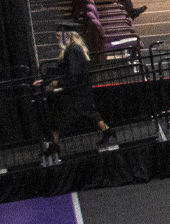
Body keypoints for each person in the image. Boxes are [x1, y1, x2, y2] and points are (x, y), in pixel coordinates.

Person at [36, 24, 116, 162]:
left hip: (76, 91)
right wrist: (45, 80)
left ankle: (54, 145)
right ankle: (107, 131)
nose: (56, 39)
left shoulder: (73, 51)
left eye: (57, 36)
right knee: (88, 112)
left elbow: (73, 74)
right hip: (80, 89)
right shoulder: (75, 49)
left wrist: (57, 83)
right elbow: (65, 71)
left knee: (57, 116)